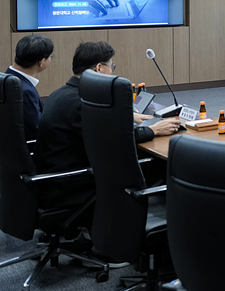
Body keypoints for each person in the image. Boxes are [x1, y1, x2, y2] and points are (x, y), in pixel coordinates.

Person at [34, 41, 180, 210]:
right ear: (99, 68)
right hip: (71, 186)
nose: (112, 72)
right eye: (111, 67)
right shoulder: (81, 104)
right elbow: (116, 140)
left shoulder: (61, 93)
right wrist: (154, 130)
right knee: (159, 166)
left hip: (55, 178)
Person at [6, 34, 53, 140]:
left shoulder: (4, 78)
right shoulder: (25, 91)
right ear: (41, 62)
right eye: (50, 56)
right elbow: (37, 133)